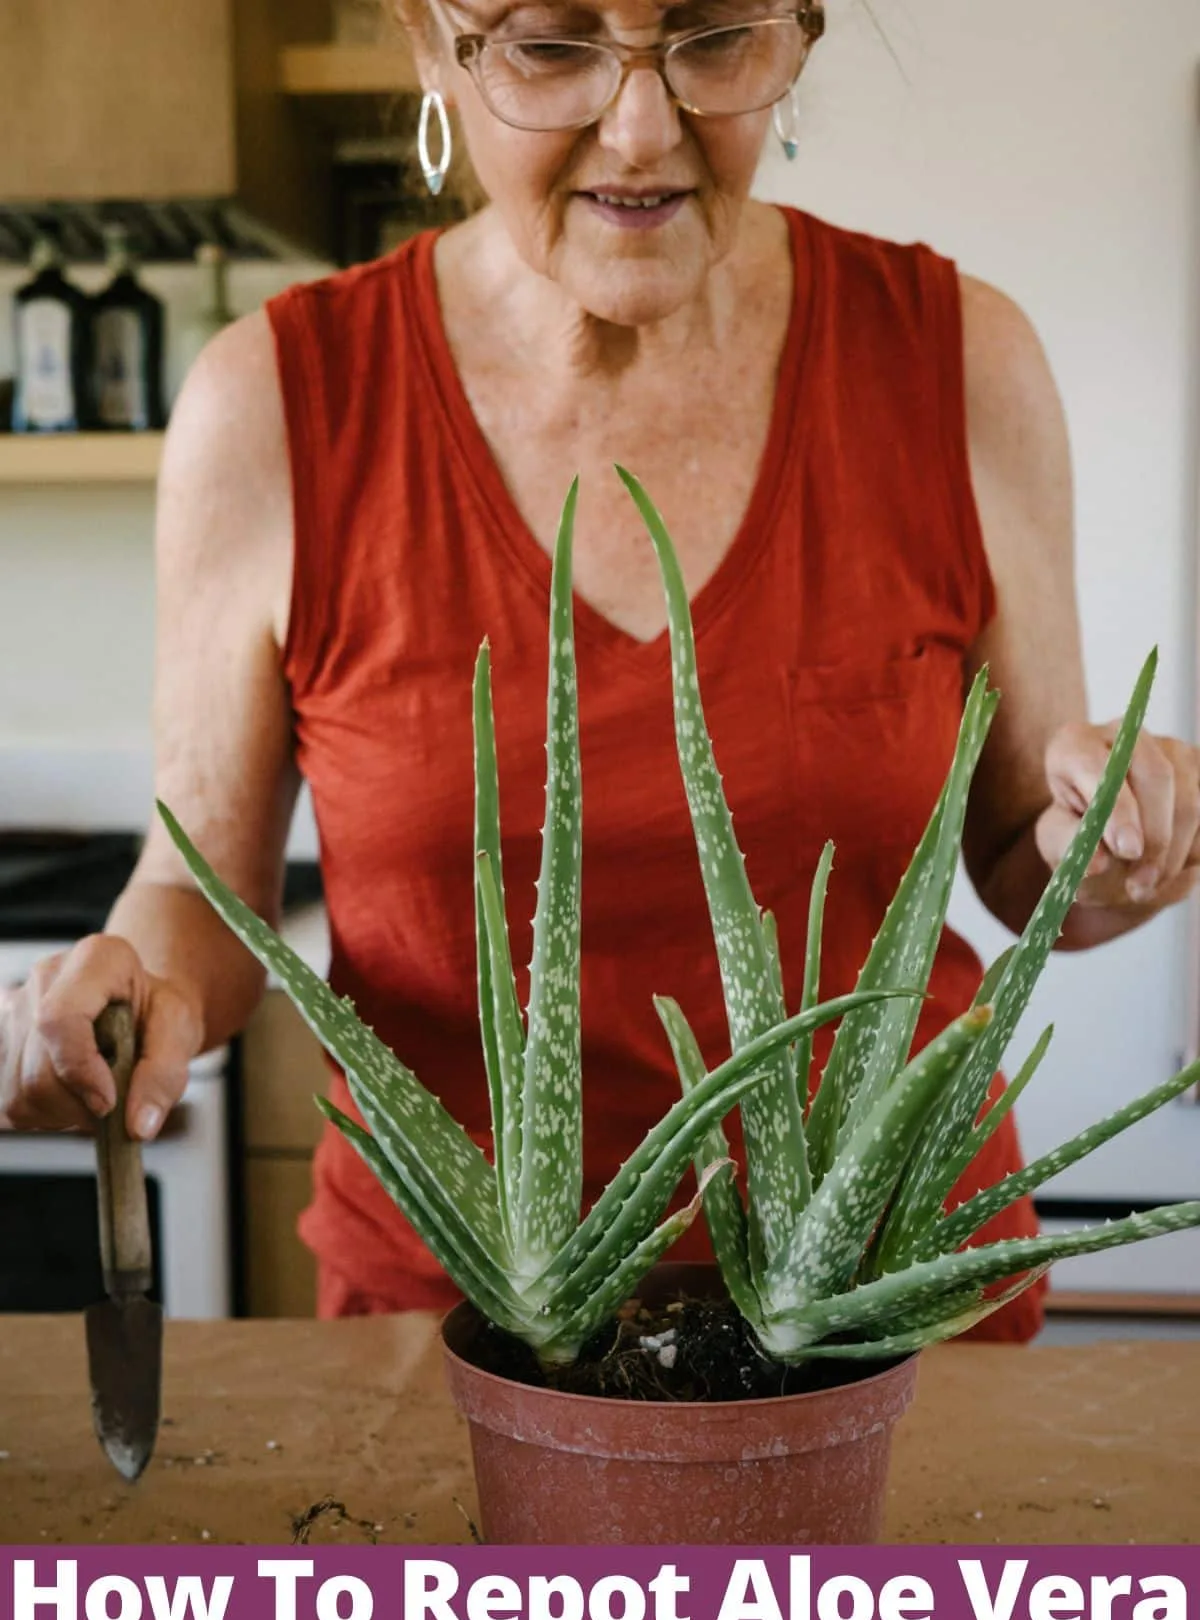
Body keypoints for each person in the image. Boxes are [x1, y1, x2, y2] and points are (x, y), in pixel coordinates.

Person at [3, 1, 1198, 1337]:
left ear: (800, 39)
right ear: (428, 49)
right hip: (459, 1343)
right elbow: (199, 894)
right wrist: (132, 985)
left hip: (892, 1327)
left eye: (711, 36)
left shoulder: (965, 360)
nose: (640, 127)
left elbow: (1033, 872)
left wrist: (1123, 843)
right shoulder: (275, 402)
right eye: (550, 44)